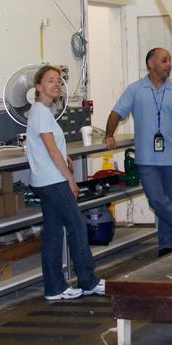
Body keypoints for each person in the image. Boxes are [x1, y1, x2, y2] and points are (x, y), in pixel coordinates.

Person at [104, 47, 172, 256]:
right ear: (150, 63)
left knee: (171, 202)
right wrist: (109, 134)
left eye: (169, 60)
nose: (169, 65)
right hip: (146, 157)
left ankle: (165, 244)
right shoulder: (135, 90)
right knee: (156, 199)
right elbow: (116, 113)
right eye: (164, 60)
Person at [26, 65, 105, 300]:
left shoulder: (42, 112)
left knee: (53, 233)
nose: (56, 85)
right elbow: (51, 150)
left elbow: (50, 147)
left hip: (45, 179)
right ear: (38, 86)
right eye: (50, 80)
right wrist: (70, 178)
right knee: (77, 226)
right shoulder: (41, 112)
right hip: (53, 180)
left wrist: (64, 155)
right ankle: (88, 280)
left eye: (59, 81)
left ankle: (54, 287)